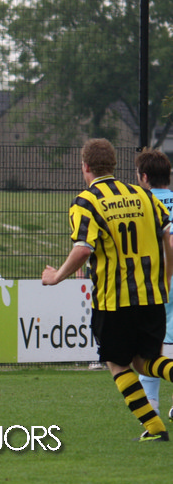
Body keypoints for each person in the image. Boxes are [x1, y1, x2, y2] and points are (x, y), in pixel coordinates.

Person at [42, 139, 173, 442]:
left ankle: (154, 428)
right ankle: (154, 429)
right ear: (114, 165)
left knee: (117, 363)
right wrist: (166, 276)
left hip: (115, 300)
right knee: (144, 361)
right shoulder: (143, 195)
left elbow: (83, 249)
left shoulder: (86, 202)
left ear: (85, 167)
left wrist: (56, 277)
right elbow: (168, 237)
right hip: (152, 295)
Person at [133, 149, 173, 415]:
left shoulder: (140, 204)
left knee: (148, 343)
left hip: (151, 280)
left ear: (144, 176)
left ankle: (151, 407)